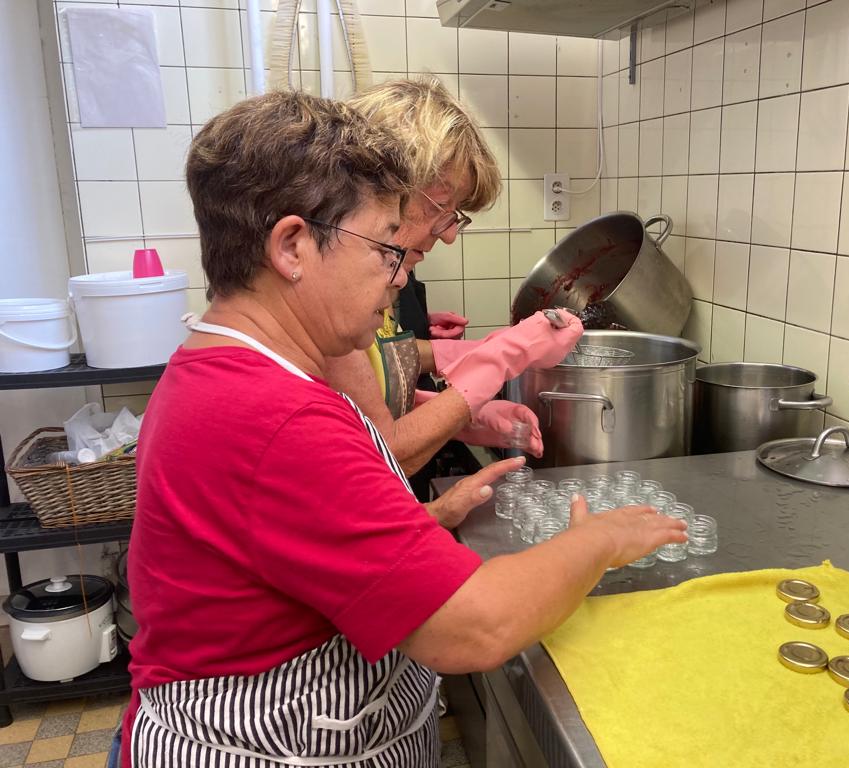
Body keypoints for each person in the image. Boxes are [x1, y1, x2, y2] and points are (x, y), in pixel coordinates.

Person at [120, 91, 685, 767]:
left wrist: (423, 521)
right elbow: (476, 628)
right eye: (387, 250)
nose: (397, 281)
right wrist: (598, 541)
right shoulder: (277, 418)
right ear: (293, 247)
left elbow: (292, 547)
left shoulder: (228, 368)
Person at [326, 78, 581, 496]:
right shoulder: (332, 297)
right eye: (441, 208)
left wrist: (466, 416)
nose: (448, 235)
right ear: (383, 187)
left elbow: (369, 405)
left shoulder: (375, 281)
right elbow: (385, 451)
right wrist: (501, 356)